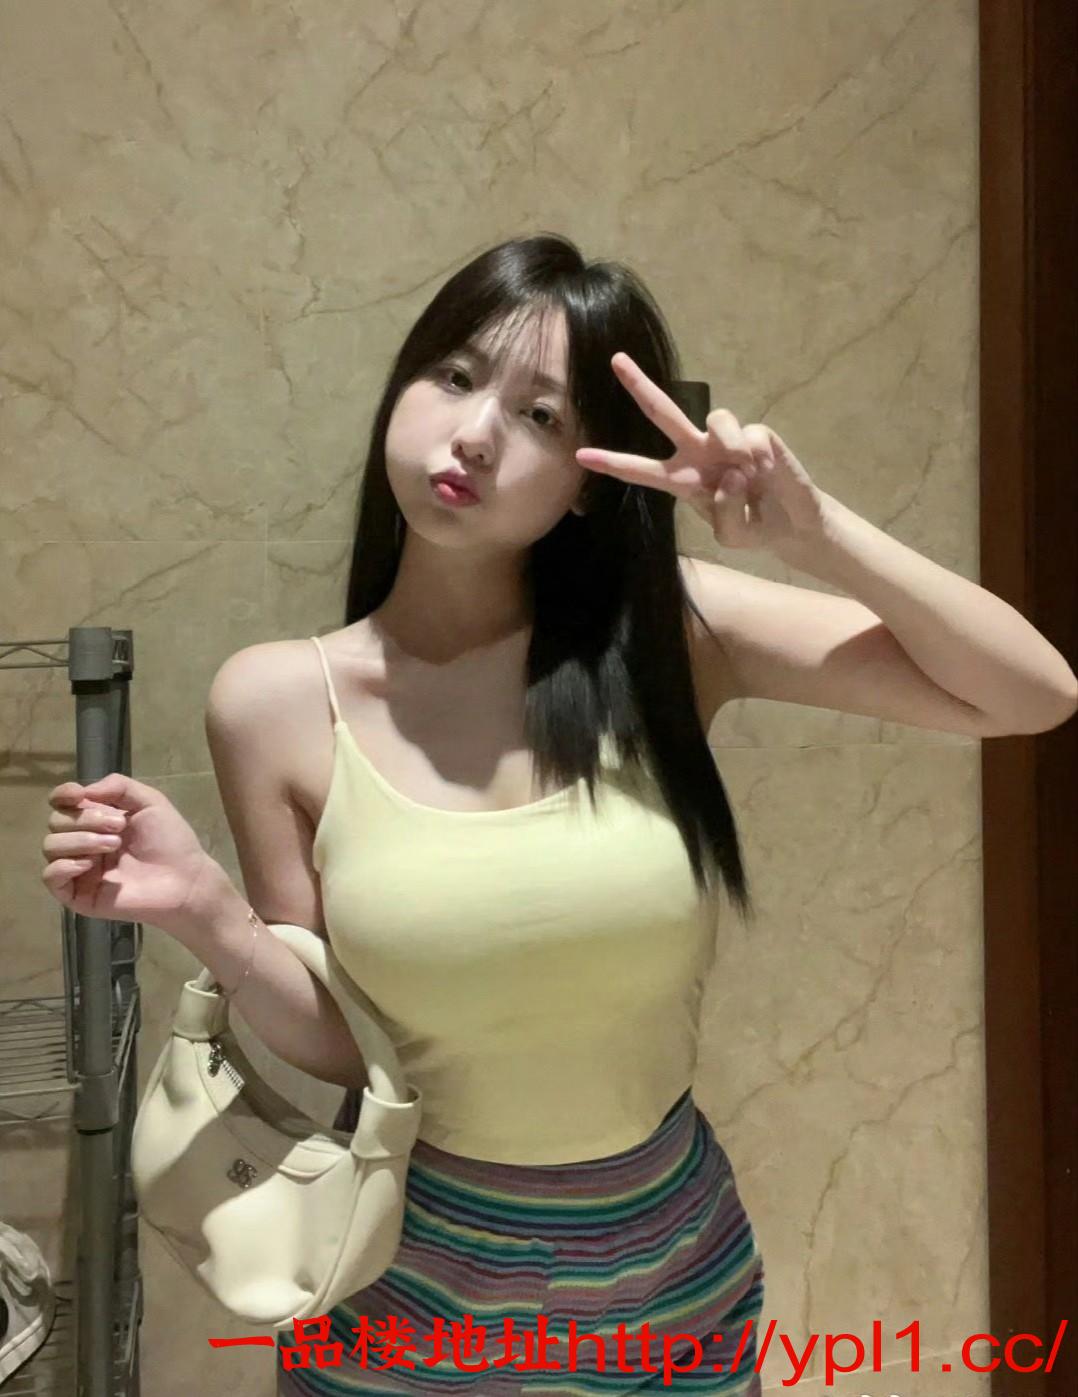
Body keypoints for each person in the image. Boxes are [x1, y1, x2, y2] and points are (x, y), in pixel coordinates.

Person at [44, 232, 1074, 1394]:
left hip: (669, 1264)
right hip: (406, 1271)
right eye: (454, 376)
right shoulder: (274, 700)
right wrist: (206, 910)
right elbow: (345, 1041)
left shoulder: (673, 634)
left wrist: (813, 532)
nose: (475, 432)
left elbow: (1030, 693)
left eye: (539, 414)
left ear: (590, 476)